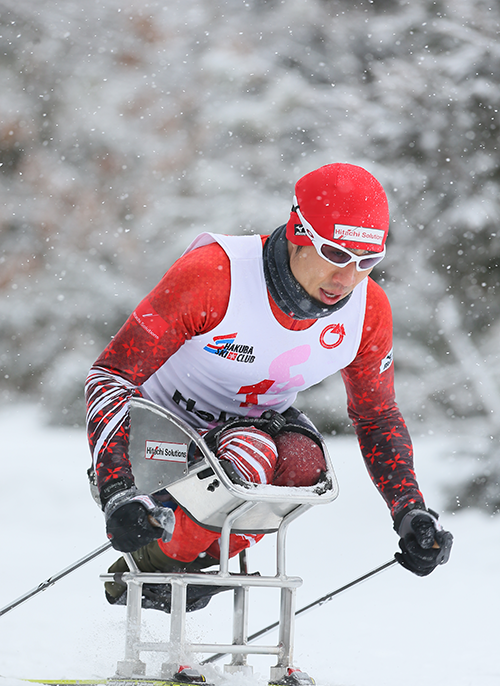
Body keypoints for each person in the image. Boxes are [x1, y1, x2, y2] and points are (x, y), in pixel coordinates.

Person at [85, 163, 453, 614]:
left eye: (367, 261)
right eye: (336, 255)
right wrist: (117, 489)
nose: (348, 278)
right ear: (300, 231)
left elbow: (376, 415)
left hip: (247, 436)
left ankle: (188, 560)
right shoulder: (214, 276)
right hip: (160, 437)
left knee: (304, 465)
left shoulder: (367, 311)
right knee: (253, 452)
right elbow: (109, 376)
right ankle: (163, 556)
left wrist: (409, 510)